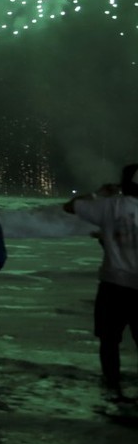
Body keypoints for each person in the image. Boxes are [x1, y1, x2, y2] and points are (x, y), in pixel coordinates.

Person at [64, 164, 138, 398]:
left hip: (113, 284)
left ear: (123, 184)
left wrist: (100, 193)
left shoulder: (108, 206)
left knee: (109, 341)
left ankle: (112, 388)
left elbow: (70, 206)